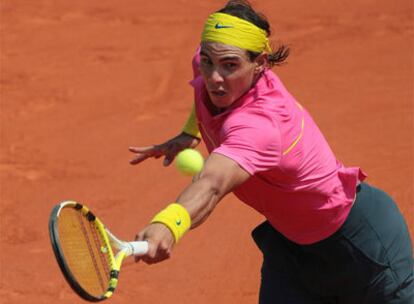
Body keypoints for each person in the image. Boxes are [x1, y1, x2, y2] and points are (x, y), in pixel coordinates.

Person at [128, 1, 414, 303]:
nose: (214, 77)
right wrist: (191, 131)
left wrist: (168, 224)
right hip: (291, 250)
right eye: (209, 60)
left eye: (230, 65)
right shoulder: (208, 64)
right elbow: (202, 86)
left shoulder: (260, 123)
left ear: (260, 62)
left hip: (362, 247)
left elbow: (212, 183)